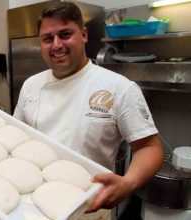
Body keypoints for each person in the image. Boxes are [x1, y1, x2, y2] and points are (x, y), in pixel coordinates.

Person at [13, 2, 163, 215]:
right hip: (33, 203)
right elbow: (18, 138)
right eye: (48, 38)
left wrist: (128, 183)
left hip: (90, 206)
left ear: (83, 34)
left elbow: (150, 148)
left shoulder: (118, 88)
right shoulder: (30, 85)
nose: (56, 45)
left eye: (65, 34)